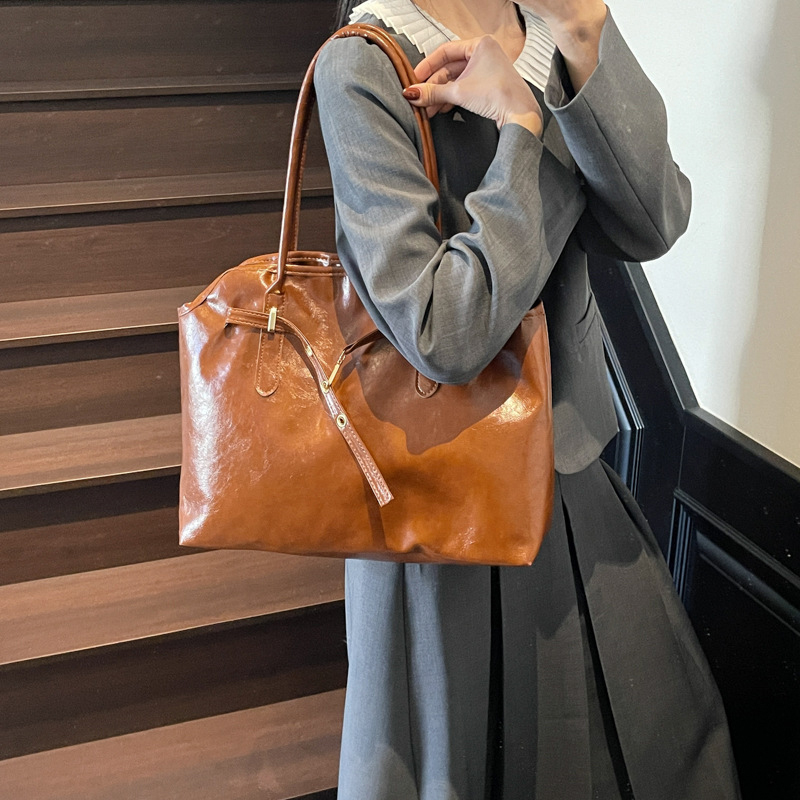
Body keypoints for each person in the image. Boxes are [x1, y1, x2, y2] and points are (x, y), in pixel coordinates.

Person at [314, 1, 742, 798]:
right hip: (437, 504)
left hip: (570, 480)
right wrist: (522, 129)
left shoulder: (553, 26)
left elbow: (654, 220)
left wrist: (582, 32)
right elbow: (443, 331)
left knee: (652, 749)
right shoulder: (365, 62)